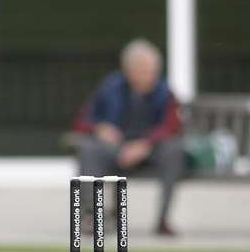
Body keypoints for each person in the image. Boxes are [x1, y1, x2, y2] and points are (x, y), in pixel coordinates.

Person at [74, 38, 185, 236]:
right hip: (114, 149)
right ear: (128, 70)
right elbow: (83, 121)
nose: (148, 76)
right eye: (142, 70)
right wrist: (100, 128)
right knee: (89, 148)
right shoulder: (110, 88)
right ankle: (92, 215)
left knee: (174, 150)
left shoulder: (165, 93)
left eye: (151, 71)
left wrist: (146, 144)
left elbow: (172, 127)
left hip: (150, 151)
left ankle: (163, 220)